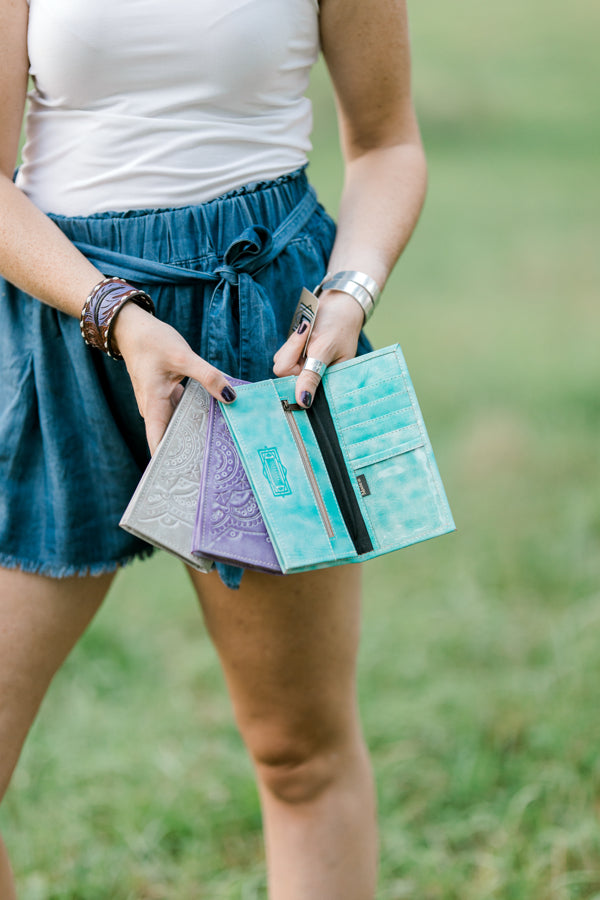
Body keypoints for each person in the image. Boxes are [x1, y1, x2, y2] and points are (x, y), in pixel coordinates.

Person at [0, 0, 427, 896]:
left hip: (263, 339)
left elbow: (387, 142)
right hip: (63, 319)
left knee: (297, 751)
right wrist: (111, 313)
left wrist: (349, 292)